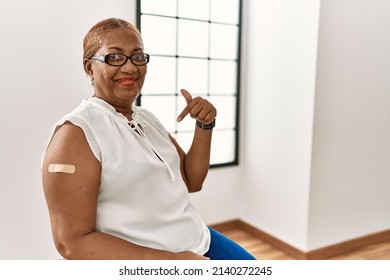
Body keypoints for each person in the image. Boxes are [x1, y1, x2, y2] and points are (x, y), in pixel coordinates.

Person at [41, 17, 255, 260]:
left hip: (197, 239)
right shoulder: (75, 134)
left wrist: (204, 126)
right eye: (115, 57)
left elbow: (191, 181)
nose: (130, 68)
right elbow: (71, 244)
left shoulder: (146, 119)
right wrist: (173, 262)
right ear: (89, 67)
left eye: (138, 56)